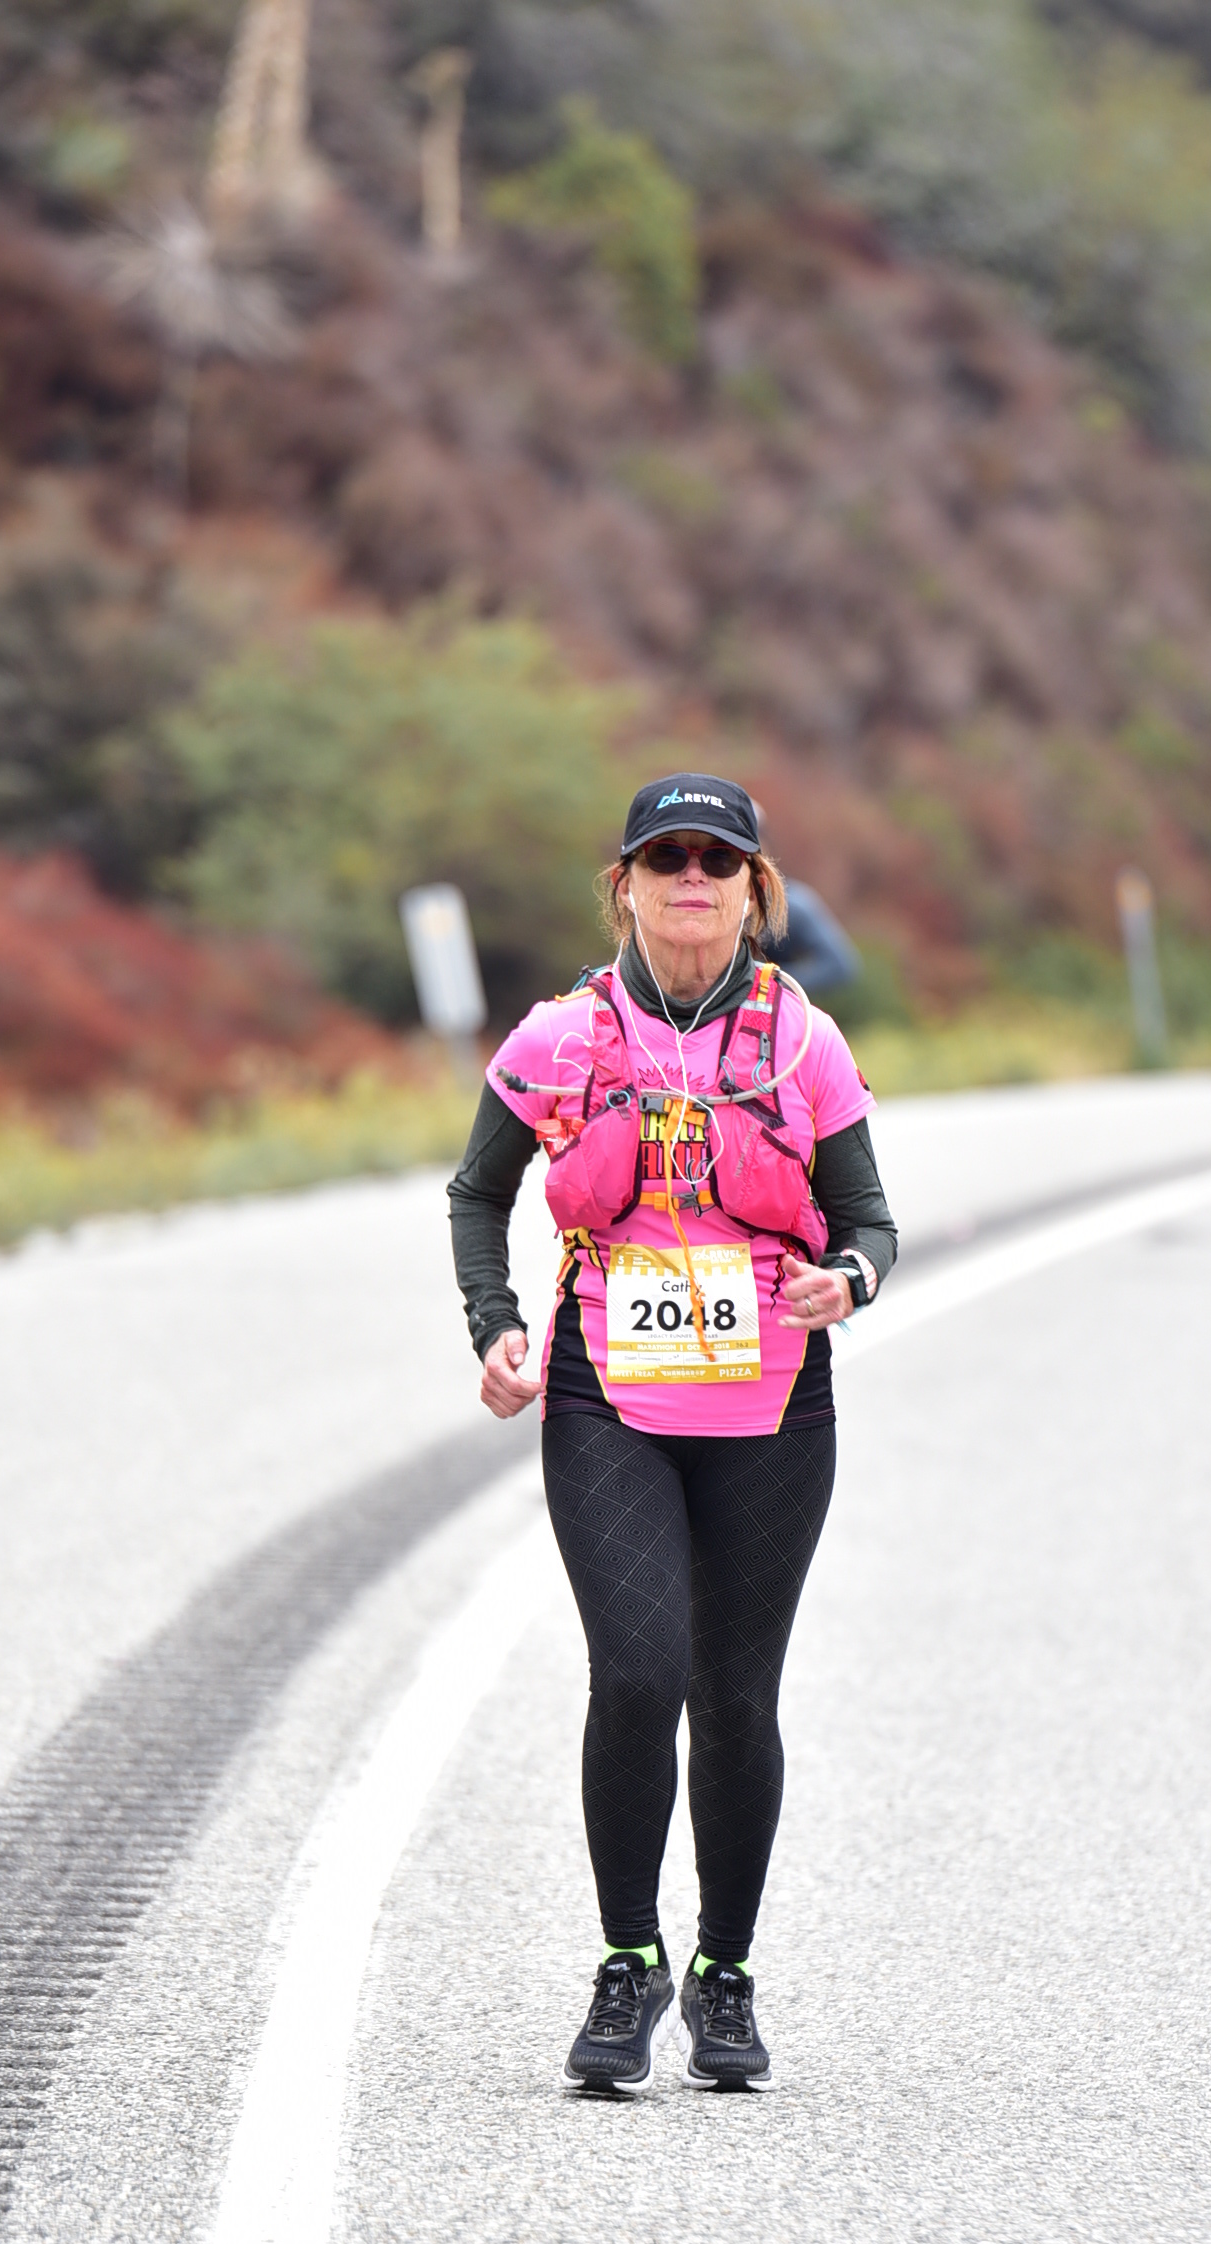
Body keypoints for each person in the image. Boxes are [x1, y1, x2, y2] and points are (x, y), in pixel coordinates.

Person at [446, 772, 897, 2099]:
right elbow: (478, 1190)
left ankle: (726, 1973)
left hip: (772, 1408)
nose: (691, 877)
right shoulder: (560, 1038)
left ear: (756, 889)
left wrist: (849, 1281)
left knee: (737, 1698)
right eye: (666, 858)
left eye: (717, 859)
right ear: (626, 886)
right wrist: (494, 1322)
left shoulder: (803, 1044)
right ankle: (630, 1958)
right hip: (608, 1403)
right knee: (640, 1675)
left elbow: (869, 1220)